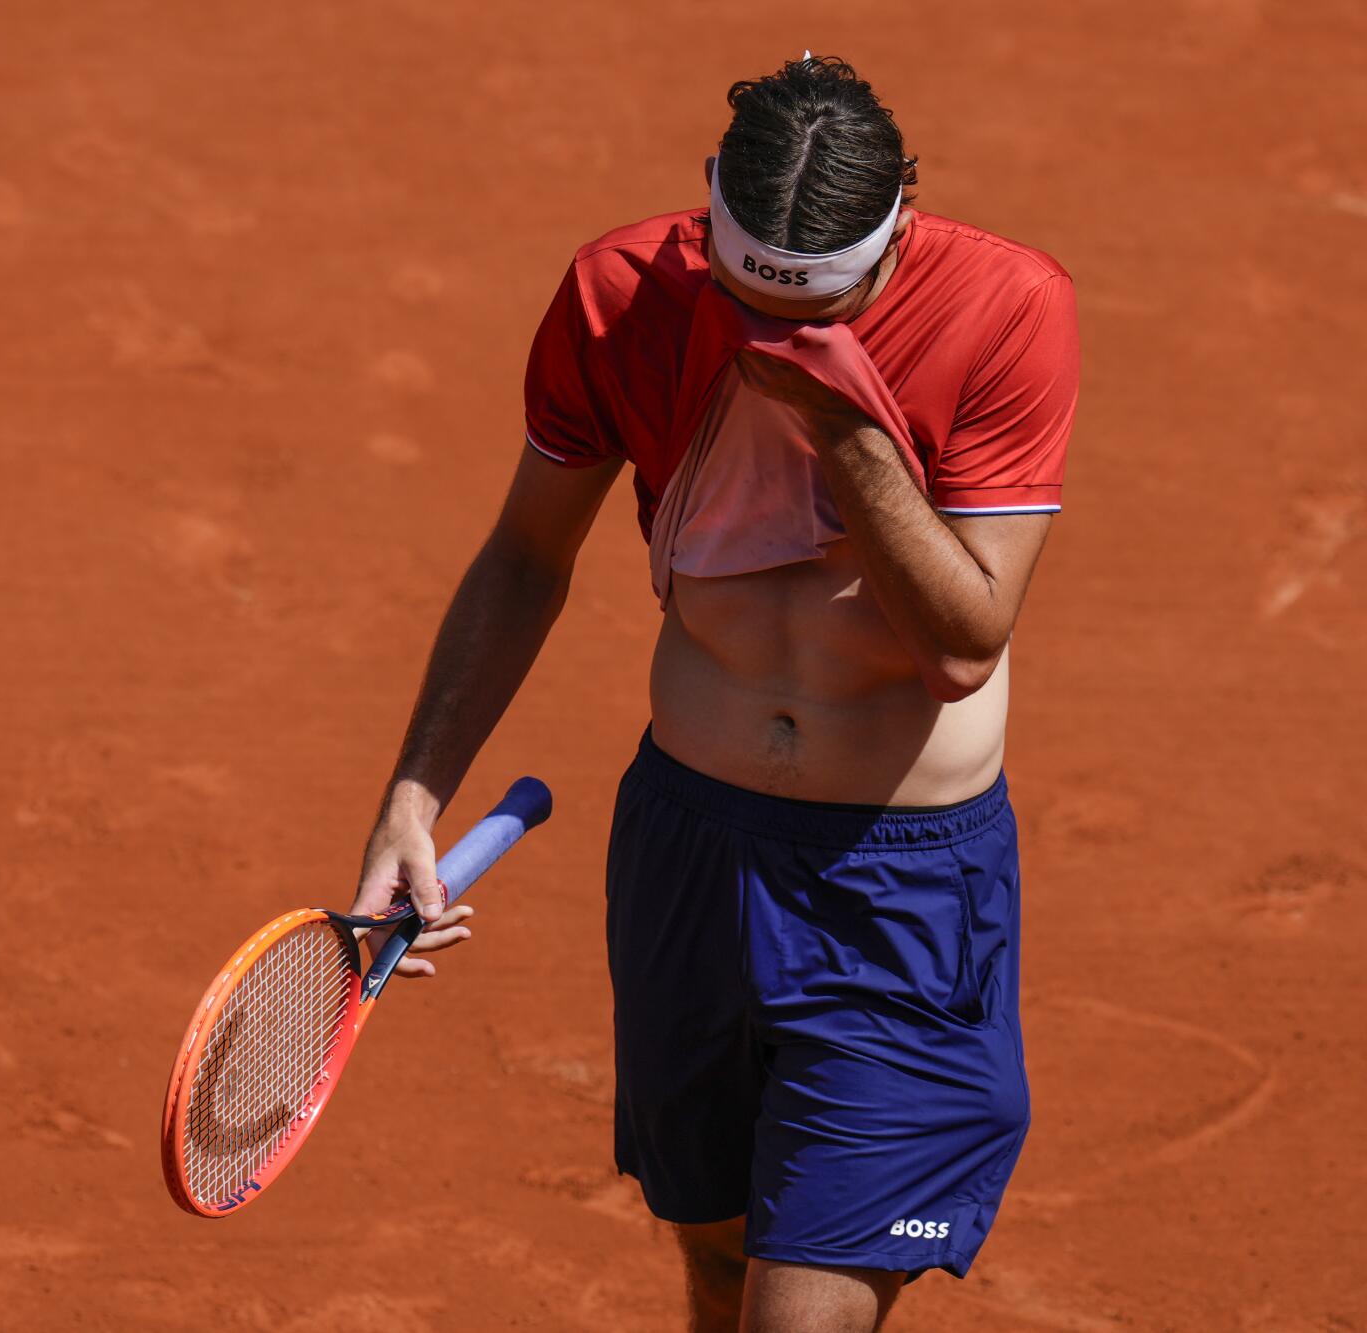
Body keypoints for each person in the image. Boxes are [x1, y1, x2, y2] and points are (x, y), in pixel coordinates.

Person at [351, 54, 1080, 1333]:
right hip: (690, 858)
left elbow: (964, 640)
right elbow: (526, 554)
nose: (772, 334)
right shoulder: (618, 296)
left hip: (896, 892)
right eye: (748, 295)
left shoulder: (1006, 306)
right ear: (708, 211)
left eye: (816, 308)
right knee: (714, 1258)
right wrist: (413, 797)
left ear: (900, 224)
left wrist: (841, 420)